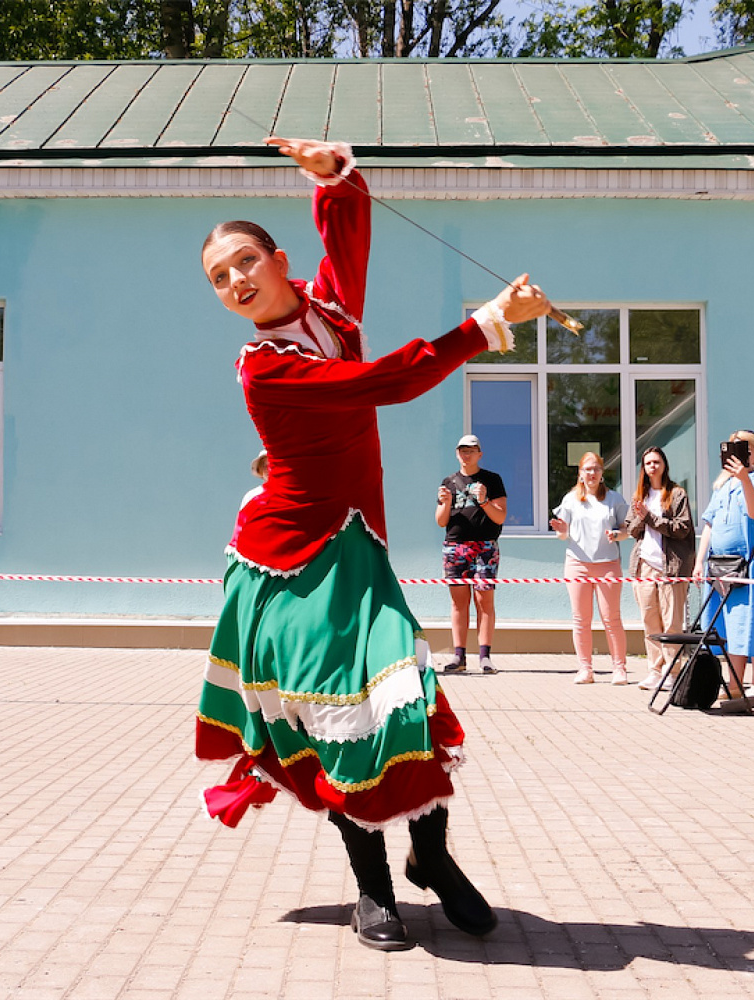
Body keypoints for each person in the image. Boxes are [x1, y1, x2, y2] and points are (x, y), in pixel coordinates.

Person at [192, 136, 551, 951]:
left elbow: (347, 240)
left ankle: (432, 859)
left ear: (278, 260)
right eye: (219, 279)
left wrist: (337, 178)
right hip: (291, 566)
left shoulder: (328, 313)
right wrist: (486, 326)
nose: (236, 282)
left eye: (245, 261)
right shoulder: (265, 368)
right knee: (339, 719)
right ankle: (374, 889)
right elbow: (382, 383)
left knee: (408, 708)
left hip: (360, 551)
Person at [694, 430, 754, 711]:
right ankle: (733, 683)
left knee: (744, 624)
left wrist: (744, 479)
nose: (740, 452)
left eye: (746, 447)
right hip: (718, 565)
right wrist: (698, 561)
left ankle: (739, 684)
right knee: (722, 626)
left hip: (745, 566)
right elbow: (709, 524)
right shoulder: (721, 486)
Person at [550, 452, 630, 684]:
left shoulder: (614, 499)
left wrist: (617, 534)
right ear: (580, 473)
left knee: (612, 618)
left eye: (596, 468)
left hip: (608, 565)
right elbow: (562, 535)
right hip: (577, 564)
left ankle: (619, 668)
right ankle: (585, 669)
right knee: (581, 619)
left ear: (602, 472)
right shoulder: (571, 499)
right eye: (587, 469)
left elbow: (626, 531)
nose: (592, 473)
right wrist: (562, 529)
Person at [623, 447, 695, 691]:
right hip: (644, 566)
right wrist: (639, 517)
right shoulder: (639, 496)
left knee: (672, 623)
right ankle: (655, 669)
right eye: (647, 463)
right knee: (650, 621)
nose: (652, 466)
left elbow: (682, 528)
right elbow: (631, 529)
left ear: (664, 464)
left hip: (671, 567)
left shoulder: (676, 494)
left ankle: (672, 671)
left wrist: (651, 518)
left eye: (656, 462)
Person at [436, 435, 508, 674]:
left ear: (480, 454)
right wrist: (445, 503)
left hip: (485, 546)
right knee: (458, 602)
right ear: (457, 453)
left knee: (484, 600)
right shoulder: (449, 481)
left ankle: (485, 656)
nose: (466, 455)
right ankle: (459, 656)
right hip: (455, 546)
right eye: (462, 450)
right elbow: (440, 521)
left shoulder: (492, 480)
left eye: (471, 450)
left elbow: (500, 517)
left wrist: (484, 500)